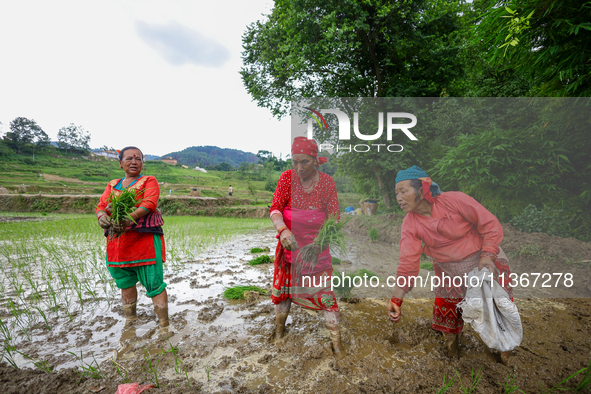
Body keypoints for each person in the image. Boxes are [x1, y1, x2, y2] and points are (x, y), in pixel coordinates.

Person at [388, 165, 515, 363]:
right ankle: (453, 357)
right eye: (396, 193)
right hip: (449, 270)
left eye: (403, 191)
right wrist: (397, 299)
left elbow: (489, 224)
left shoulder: (454, 200)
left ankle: (504, 357)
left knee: (496, 312)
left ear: (422, 189)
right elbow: (408, 261)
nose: (398, 198)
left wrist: (488, 255)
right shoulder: (410, 223)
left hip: (483, 260)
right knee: (448, 317)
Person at [269, 137, 344, 358]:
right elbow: (275, 209)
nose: (299, 168)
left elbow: (334, 218)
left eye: (304, 162)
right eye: (295, 162)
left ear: (315, 161)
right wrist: (283, 230)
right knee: (283, 295)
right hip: (289, 247)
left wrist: (318, 244)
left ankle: (337, 346)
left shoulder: (327, 183)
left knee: (327, 298)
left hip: (316, 252)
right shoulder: (287, 179)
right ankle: (279, 334)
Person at [96, 146, 170, 331]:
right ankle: (130, 321)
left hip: (144, 241)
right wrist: (101, 217)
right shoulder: (113, 185)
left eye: (138, 158)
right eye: (129, 158)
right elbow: (102, 206)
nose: (134, 162)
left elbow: (149, 204)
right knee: (125, 283)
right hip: (118, 243)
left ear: (143, 162)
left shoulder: (148, 181)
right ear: (120, 163)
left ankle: (164, 326)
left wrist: (128, 219)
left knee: (154, 283)